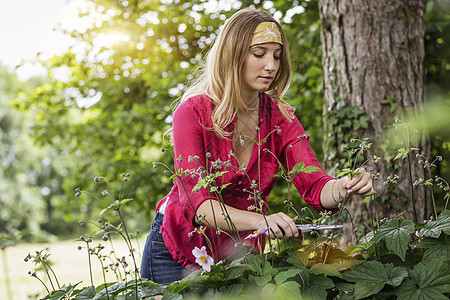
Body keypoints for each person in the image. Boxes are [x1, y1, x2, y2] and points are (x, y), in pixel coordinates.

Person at [140, 7, 374, 285]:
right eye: (259, 54)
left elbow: (314, 185)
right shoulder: (192, 112)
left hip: (239, 256)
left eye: (277, 56)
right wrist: (261, 220)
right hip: (175, 251)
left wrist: (344, 186)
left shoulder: (280, 118)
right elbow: (199, 205)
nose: (271, 65)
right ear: (233, 54)